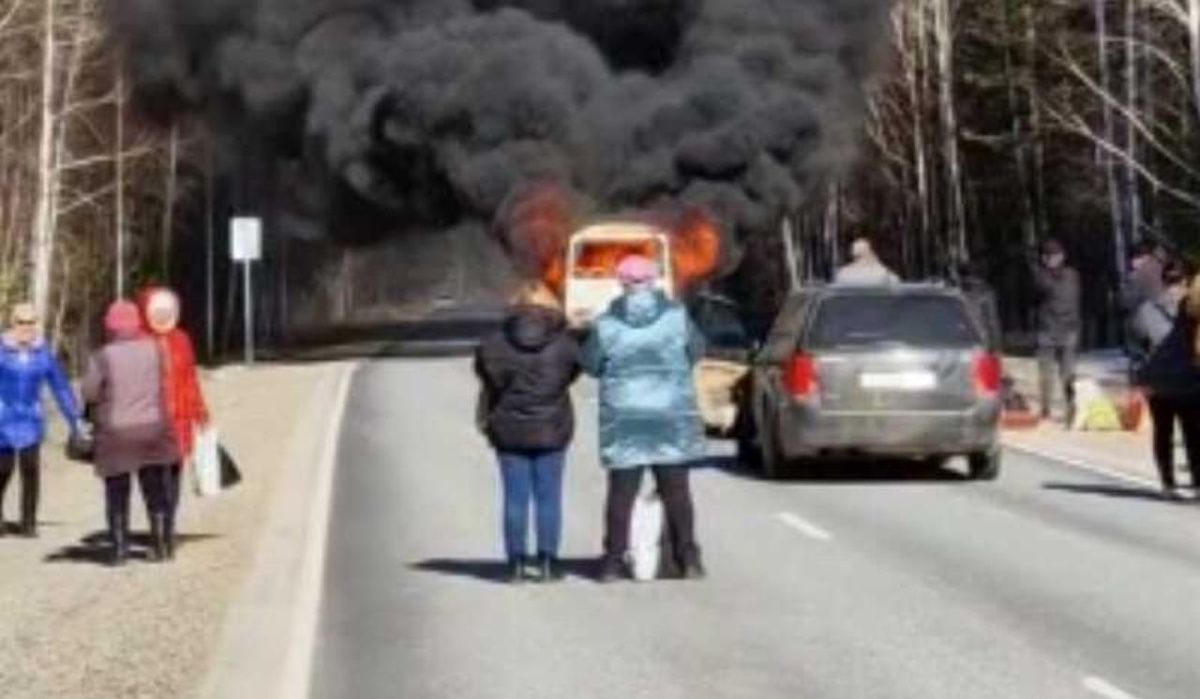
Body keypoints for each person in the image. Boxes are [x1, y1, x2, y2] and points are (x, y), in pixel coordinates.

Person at [582, 255, 707, 582]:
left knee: (621, 492)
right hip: (669, 412)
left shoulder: (606, 324)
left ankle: (612, 560)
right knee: (676, 490)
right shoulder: (677, 317)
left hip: (624, 417)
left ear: (621, 283)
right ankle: (688, 557)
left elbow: (591, 364)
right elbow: (697, 350)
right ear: (654, 281)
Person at [474, 281, 581, 583]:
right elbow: (571, 375)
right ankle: (548, 562)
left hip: (508, 429)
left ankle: (515, 564)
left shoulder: (493, 344)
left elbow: (487, 378)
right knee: (549, 497)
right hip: (552, 427)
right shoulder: (565, 344)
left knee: (514, 497)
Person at [82, 300, 181, 565]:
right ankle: (162, 547)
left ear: (110, 326)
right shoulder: (156, 350)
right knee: (155, 490)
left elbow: (89, 392)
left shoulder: (103, 356)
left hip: (117, 434)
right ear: (137, 322)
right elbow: (164, 381)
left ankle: (119, 551)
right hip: (153, 429)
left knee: (117, 492)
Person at [137, 286, 209, 559]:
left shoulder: (182, 340)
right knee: (152, 479)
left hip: (179, 420)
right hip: (148, 422)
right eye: (158, 310)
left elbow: (190, 379)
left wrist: (200, 412)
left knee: (173, 479)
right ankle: (158, 538)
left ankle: (168, 531)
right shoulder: (138, 341)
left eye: (169, 310)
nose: (164, 315)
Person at [0, 303, 83, 537]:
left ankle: (28, 523)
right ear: (12, 323)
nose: (26, 327)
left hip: (30, 420)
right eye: (21, 322)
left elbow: (61, 388)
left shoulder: (43, 354)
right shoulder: (2, 350)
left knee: (30, 470)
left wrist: (74, 419)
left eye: (30, 322)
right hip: (3, 419)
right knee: (3, 470)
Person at [1135, 264, 1200, 499]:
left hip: (1158, 382)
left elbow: (1136, 346)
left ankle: (1167, 483)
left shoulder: (1146, 309)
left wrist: (1140, 377)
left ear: (1163, 281)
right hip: (1188, 380)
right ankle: (1197, 482)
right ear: (1184, 282)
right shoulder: (1193, 308)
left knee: (1163, 432)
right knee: (1192, 432)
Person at [1031, 239, 1082, 425]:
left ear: (1045, 258)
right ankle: (1071, 407)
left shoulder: (1041, 277)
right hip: (1070, 329)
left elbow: (1035, 297)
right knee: (1068, 372)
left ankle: (1046, 409)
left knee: (1046, 373)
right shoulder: (1073, 275)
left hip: (1048, 330)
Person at [959, 261, 1002, 348]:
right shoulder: (985, 291)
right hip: (979, 337)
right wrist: (997, 342)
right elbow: (992, 320)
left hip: (963, 337)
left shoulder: (957, 290)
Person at [834, 238, 900, 286]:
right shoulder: (882, 274)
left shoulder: (842, 274)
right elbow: (897, 284)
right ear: (870, 253)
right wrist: (877, 263)